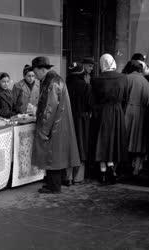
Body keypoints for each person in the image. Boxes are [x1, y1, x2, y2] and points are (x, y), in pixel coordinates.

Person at [31, 56, 80, 194]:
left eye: (35, 73)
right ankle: (56, 183)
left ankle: (53, 186)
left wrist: (44, 130)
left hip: (55, 125)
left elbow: (49, 108)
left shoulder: (51, 83)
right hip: (60, 123)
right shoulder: (56, 80)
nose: (35, 76)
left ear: (41, 70)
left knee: (52, 156)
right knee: (58, 155)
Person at [90, 53, 128, 184]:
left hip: (102, 112)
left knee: (102, 139)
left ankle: (103, 170)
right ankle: (111, 167)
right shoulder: (123, 78)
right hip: (117, 111)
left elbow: (92, 100)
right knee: (113, 139)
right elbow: (125, 98)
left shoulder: (96, 79)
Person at [64, 62, 92, 186]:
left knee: (68, 147)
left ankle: (67, 177)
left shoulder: (65, 85)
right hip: (81, 120)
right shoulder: (86, 86)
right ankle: (78, 178)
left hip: (67, 120)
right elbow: (90, 105)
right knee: (81, 147)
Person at [123, 60, 149, 175]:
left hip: (127, 110)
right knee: (139, 141)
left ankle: (120, 168)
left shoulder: (126, 78)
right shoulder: (146, 82)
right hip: (141, 113)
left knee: (124, 139)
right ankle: (136, 168)